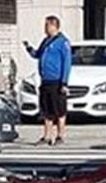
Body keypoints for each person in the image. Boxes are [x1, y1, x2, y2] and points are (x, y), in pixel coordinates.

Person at [25, 15, 72, 146]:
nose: (45, 28)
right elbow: (37, 54)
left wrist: (64, 82)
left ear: (53, 26)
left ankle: (60, 135)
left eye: (47, 25)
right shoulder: (46, 41)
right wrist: (29, 49)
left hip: (57, 81)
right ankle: (47, 136)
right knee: (46, 110)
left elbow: (67, 63)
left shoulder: (63, 42)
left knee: (60, 110)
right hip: (45, 80)